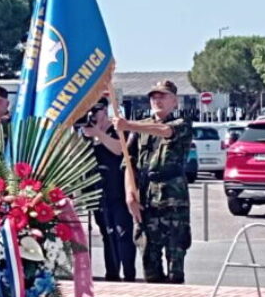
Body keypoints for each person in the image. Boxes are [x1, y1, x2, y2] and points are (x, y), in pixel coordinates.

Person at [116, 80, 193, 284]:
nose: (157, 100)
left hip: (172, 201)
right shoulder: (139, 129)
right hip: (147, 198)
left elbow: (166, 131)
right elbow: (128, 162)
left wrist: (127, 125)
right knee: (149, 257)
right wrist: (130, 195)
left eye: (163, 96)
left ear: (174, 101)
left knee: (175, 262)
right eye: (154, 97)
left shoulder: (182, 124)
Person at [82, 97, 135, 281]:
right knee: (107, 233)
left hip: (118, 189)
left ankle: (129, 274)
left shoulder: (116, 127)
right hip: (98, 190)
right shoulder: (85, 132)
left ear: (104, 110)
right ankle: (112, 274)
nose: (93, 115)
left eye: (96, 110)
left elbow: (120, 150)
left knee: (122, 233)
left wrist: (99, 134)